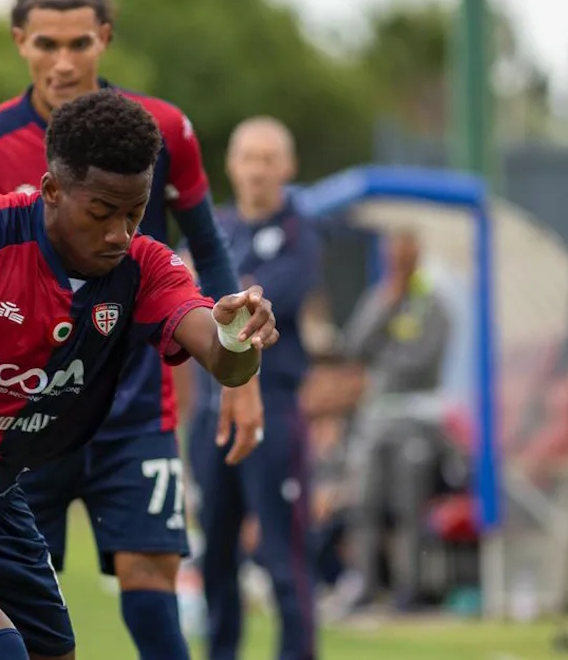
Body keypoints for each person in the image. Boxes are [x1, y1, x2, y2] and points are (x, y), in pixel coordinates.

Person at [0, 90, 278, 660]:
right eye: (101, 212)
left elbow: (220, 357)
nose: (118, 233)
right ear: (53, 190)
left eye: (133, 213)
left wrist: (238, 335)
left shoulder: (144, 267)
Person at [0, 3, 259, 655]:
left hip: (136, 403)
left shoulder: (162, 129)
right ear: (19, 41)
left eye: (79, 42)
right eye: (46, 44)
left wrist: (240, 372)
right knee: (21, 600)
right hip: (22, 415)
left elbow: (208, 246)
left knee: (152, 577)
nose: (63, 62)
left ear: (104, 39)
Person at [186, 116, 321, 660]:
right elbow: (179, 297)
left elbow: (252, 311)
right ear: (231, 165)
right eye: (249, 157)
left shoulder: (299, 234)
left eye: (269, 159)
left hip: (274, 409)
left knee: (283, 556)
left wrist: (214, 291)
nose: (258, 170)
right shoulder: (212, 229)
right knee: (215, 556)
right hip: (212, 414)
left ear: (287, 167)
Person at [326, 227, 454, 615]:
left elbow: (422, 362)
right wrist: (385, 306)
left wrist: (384, 360)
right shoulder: (380, 297)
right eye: (392, 256)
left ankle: (408, 589)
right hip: (375, 418)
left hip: (415, 418)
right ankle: (364, 586)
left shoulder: (434, 305)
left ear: (416, 257)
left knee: (408, 506)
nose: (397, 263)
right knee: (364, 503)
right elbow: (354, 346)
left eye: (404, 255)